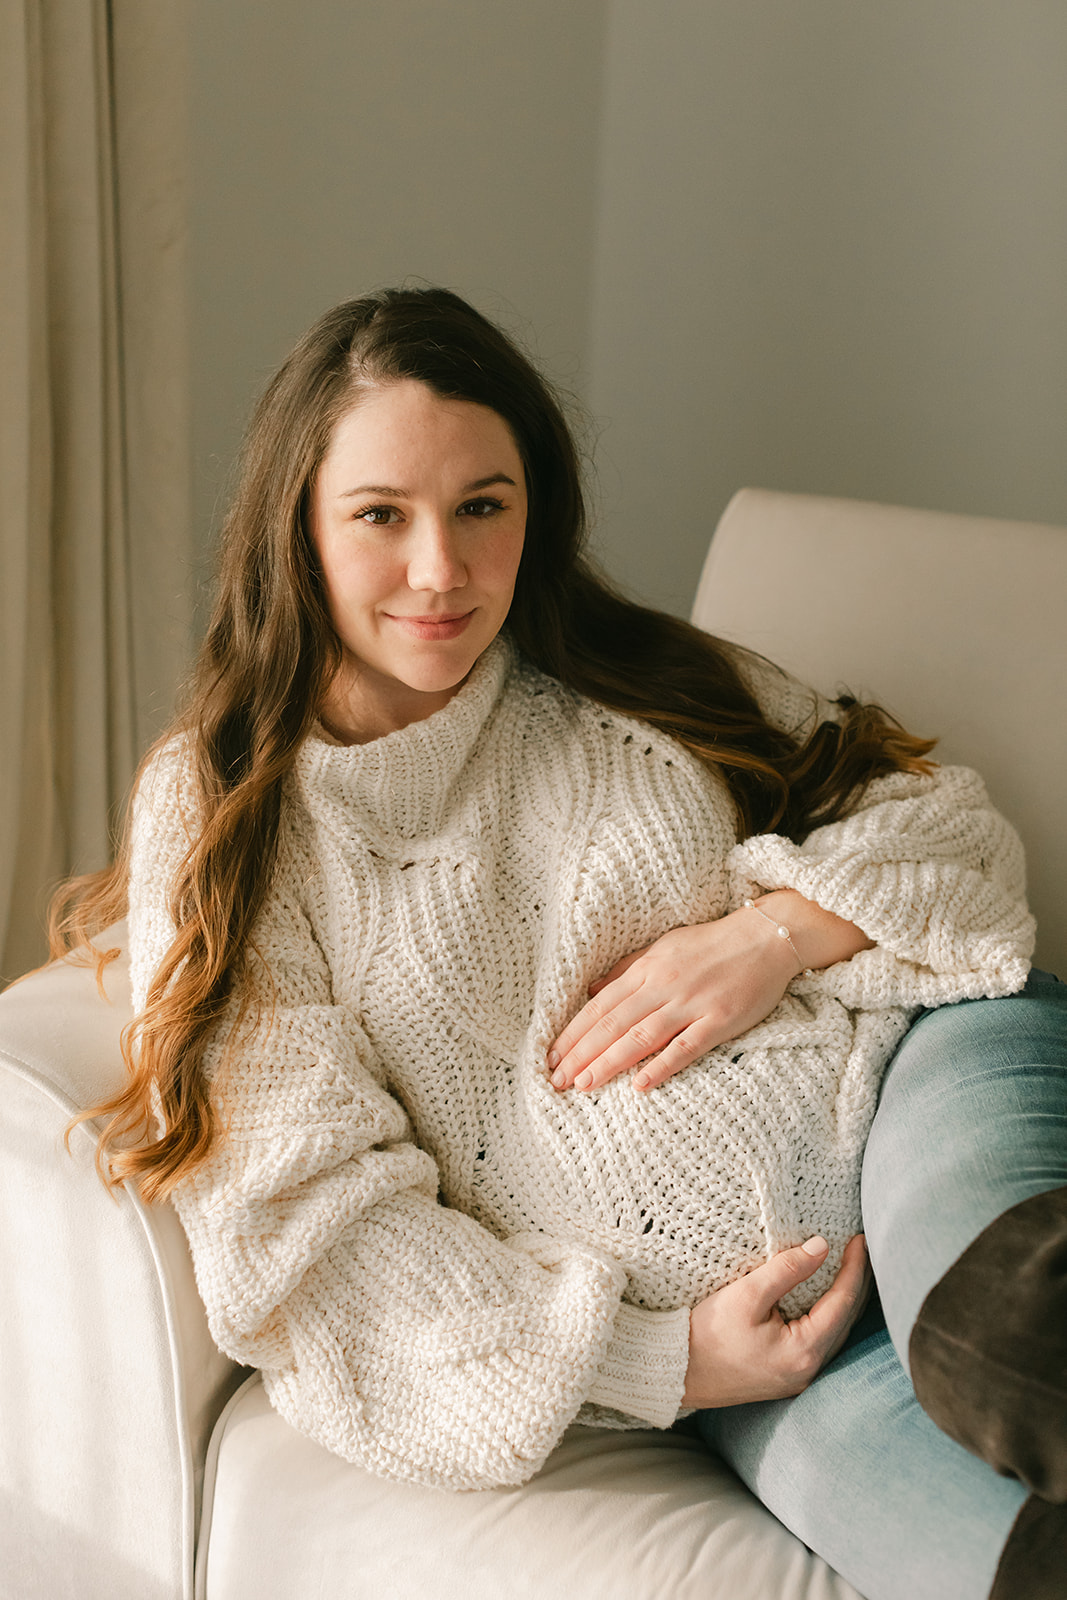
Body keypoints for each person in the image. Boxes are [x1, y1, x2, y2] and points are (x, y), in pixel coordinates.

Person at [53, 288, 1066, 1599]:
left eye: (485, 504)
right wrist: (673, 1360)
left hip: (931, 1072)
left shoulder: (629, 675)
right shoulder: (233, 807)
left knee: (1010, 1343)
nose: (442, 570)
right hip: (766, 1343)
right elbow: (313, 1230)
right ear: (294, 524)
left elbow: (947, 828)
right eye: (380, 515)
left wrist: (772, 936)